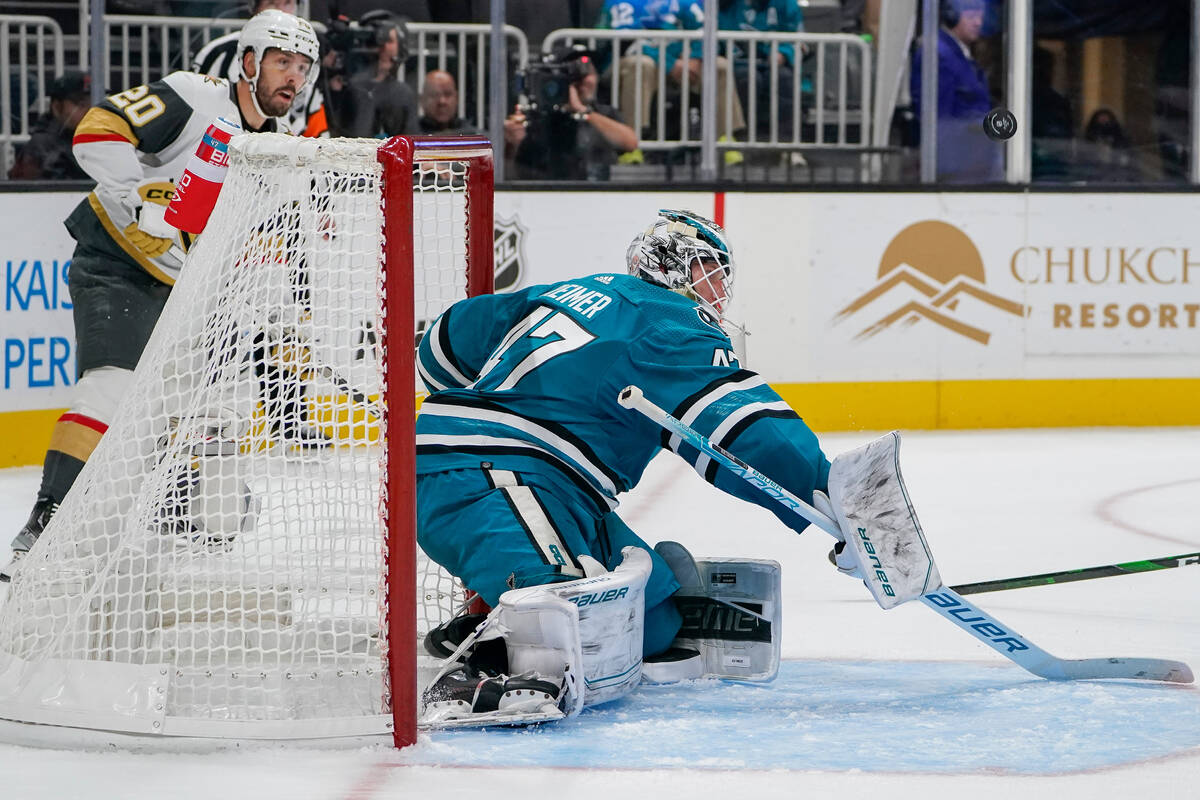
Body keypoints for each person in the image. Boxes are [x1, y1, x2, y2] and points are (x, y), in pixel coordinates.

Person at [414, 209, 832, 720]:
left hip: (554, 488)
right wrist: (830, 493)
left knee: (651, 624)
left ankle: (507, 614)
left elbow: (440, 348)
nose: (721, 287)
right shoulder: (674, 324)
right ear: (681, 266)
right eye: (714, 270)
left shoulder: (569, 290)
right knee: (565, 627)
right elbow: (752, 433)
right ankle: (478, 658)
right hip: (491, 479)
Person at [1, 9, 319, 582]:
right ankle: (45, 526)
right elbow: (97, 128)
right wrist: (137, 195)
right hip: (117, 263)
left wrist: (274, 312)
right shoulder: (196, 96)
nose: (292, 79)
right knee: (112, 389)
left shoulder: (285, 154)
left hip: (188, 290)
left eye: (301, 67)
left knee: (223, 420)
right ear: (249, 62)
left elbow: (264, 242)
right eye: (280, 63)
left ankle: (175, 509)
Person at [598, 0, 746, 148]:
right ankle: (633, 141)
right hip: (631, 64)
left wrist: (696, 57)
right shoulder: (621, 2)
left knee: (719, 65)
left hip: (681, 64)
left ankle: (726, 138)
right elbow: (628, 43)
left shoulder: (685, 2)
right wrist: (671, 64)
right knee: (641, 64)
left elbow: (704, 31)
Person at [191, 0, 329, 138]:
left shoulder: (303, 80)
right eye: (272, 3)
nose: (281, 12)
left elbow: (318, 139)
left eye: (287, 3)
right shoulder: (217, 54)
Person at [505, 47, 638, 180]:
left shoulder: (604, 114)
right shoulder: (537, 117)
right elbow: (513, 169)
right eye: (574, 77)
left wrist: (584, 111)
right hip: (545, 191)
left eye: (588, 73)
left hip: (595, 191)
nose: (583, 82)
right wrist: (513, 143)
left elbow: (630, 143)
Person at [910, 0, 1003, 183]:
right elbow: (938, 120)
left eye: (980, 16)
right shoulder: (939, 55)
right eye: (971, 16)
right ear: (951, 16)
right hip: (957, 168)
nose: (978, 22)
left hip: (970, 161)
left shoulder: (958, 54)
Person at [717, 0, 807, 143]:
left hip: (774, 65)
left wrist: (783, 53)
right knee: (747, 78)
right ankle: (739, 142)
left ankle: (786, 147)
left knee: (783, 78)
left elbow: (799, 41)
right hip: (736, 65)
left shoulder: (786, 3)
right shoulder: (723, 5)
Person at [329, 13, 419, 138]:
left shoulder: (403, 93)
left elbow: (411, 137)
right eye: (378, 41)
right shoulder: (351, 87)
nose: (383, 47)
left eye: (389, 41)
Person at [7, 71, 92, 181]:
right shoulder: (42, 147)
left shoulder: (101, 139)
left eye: (96, 103)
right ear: (57, 107)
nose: (91, 110)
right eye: (81, 104)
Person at [417, 70, 479, 135]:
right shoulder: (410, 138)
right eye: (435, 95)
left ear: (456, 98)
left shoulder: (472, 136)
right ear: (422, 100)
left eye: (448, 94)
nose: (442, 101)